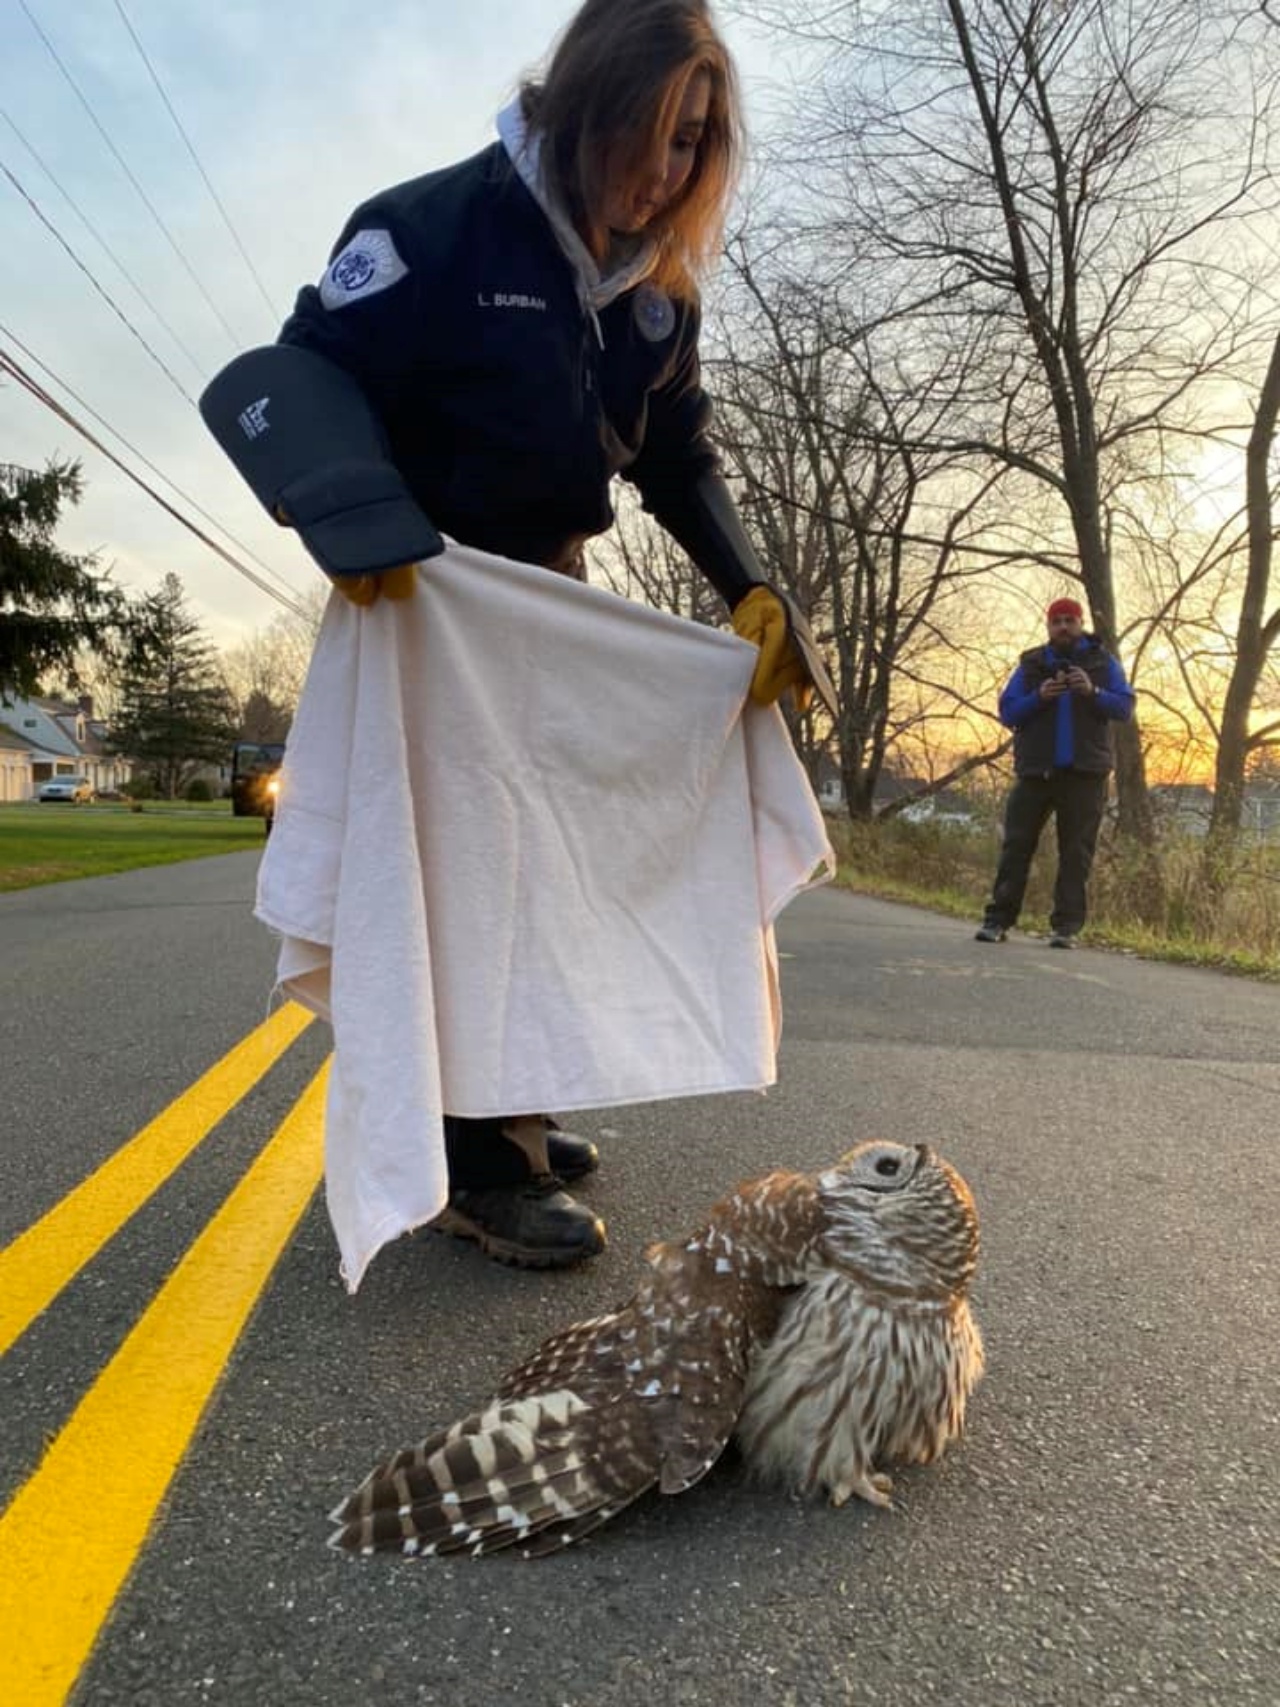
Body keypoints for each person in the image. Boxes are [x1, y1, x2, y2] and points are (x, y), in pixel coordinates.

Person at [200, 0, 831, 1271]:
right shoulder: (425, 228)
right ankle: (482, 1156)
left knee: (548, 869)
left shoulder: (657, 295)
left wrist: (751, 590)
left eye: (695, 145)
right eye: (651, 136)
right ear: (580, 107)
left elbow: (675, 454)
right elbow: (304, 370)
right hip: (423, 597)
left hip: (551, 601)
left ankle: (510, 1098)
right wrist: (346, 518)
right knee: (466, 876)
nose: (665, 175)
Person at [975, 598, 1134, 949]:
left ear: (1080, 624)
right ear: (1048, 627)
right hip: (1035, 773)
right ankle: (997, 921)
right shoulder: (1032, 665)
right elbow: (1008, 711)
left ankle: (1065, 929)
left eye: (1070, 620)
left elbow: (1124, 706)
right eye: (1057, 621)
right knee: (1016, 847)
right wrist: (1039, 697)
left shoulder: (1102, 662)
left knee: (1076, 853)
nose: (1063, 627)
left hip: (1085, 774)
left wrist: (1092, 691)